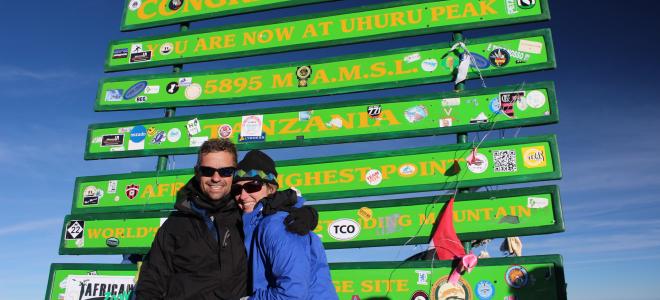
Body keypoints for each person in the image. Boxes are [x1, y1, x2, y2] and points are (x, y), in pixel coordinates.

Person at [134, 139, 317, 300]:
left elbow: (272, 199)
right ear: (198, 172)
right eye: (208, 170)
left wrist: (306, 213)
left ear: (234, 174)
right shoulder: (175, 224)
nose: (215, 178)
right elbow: (150, 284)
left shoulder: (247, 214)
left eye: (225, 171)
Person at [233, 150, 338, 300]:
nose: (243, 196)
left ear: (271, 188)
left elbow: (291, 294)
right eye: (237, 189)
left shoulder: (277, 225)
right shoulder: (256, 223)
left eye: (252, 186)